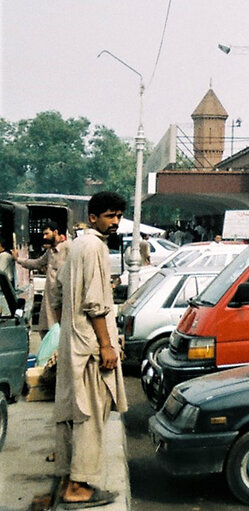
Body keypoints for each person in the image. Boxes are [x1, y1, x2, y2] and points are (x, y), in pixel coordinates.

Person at [51, 191, 128, 508]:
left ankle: (70, 479)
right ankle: (78, 488)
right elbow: (95, 303)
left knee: (75, 413)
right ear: (94, 217)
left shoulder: (77, 244)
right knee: (90, 415)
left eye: (119, 216)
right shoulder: (95, 247)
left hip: (75, 343)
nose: (116, 221)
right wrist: (106, 344)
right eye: (110, 216)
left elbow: (58, 294)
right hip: (91, 348)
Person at [18, 223, 71, 331]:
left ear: (55, 232)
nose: (44, 237)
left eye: (47, 233)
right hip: (51, 297)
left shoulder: (68, 247)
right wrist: (18, 260)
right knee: (47, 330)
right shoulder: (50, 251)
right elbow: (37, 263)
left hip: (64, 298)